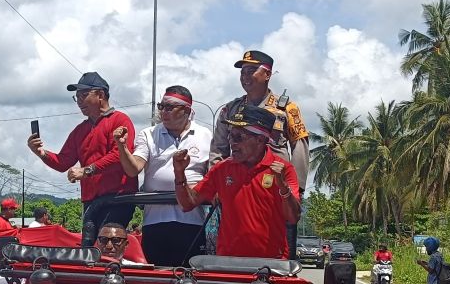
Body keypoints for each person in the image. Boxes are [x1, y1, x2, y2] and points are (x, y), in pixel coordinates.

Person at [210, 51, 310, 258]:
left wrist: (295, 189)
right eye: (242, 72)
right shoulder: (230, 109)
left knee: (279, 254)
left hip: (276, 188)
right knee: (234, 248)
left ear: (267, 74)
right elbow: (218, 148)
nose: (245, 76)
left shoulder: (287, 108)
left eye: (251, 70)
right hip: (239, 190)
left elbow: (299, 146)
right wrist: (216, 184)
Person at [173, 106, 300, 259]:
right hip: (228, 261)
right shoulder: (222, 168)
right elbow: (188, 203)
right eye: (230, 136)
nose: (232, 143)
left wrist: (283, 187)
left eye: (238, 137)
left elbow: (293, 217)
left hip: (271, 263)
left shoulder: (283, 169)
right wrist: (179, 173)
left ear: (261, 139)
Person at [28, 71, 136, 247]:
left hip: (117, 199)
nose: (79, 101)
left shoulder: (120, 120)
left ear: (100, 95)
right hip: (91, 201)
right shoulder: (80, 130)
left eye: (84, 95)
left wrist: (87, 170)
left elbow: (118, 155)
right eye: (76, 97)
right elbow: (63, 162)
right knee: (88, 250)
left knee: (108, 247)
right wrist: (41, 153)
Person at [114, 85, 213, 266]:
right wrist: (122, 147)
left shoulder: (205, 135)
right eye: (161, 106)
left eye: (169, 107)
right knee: (157, 277)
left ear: (187, 111)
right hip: (155, 222)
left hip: (192, 222)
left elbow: (212, 176)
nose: (163, 112)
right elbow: (133, 168)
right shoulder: (149, 134)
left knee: (189, 277)